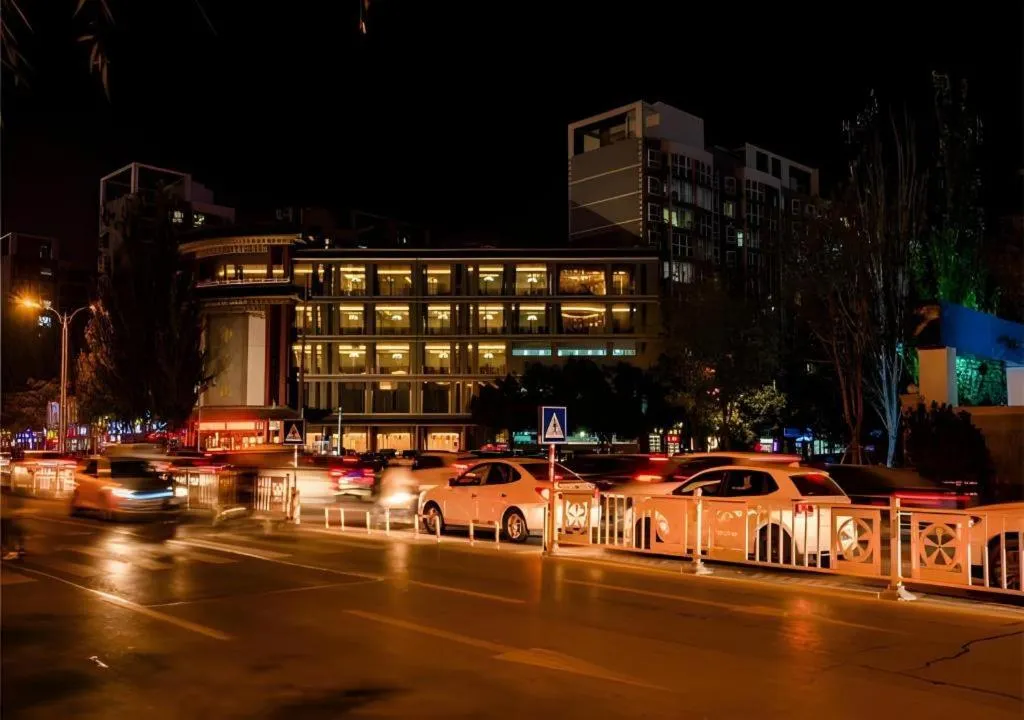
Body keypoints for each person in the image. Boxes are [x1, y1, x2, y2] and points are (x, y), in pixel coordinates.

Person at [1, 476, 26, 559]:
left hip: (7, 518)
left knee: (11, 534)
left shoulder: (7, 497)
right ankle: (14, 549)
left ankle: (15, 549)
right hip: (5, 519)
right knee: (11, 534)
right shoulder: (7, 496)